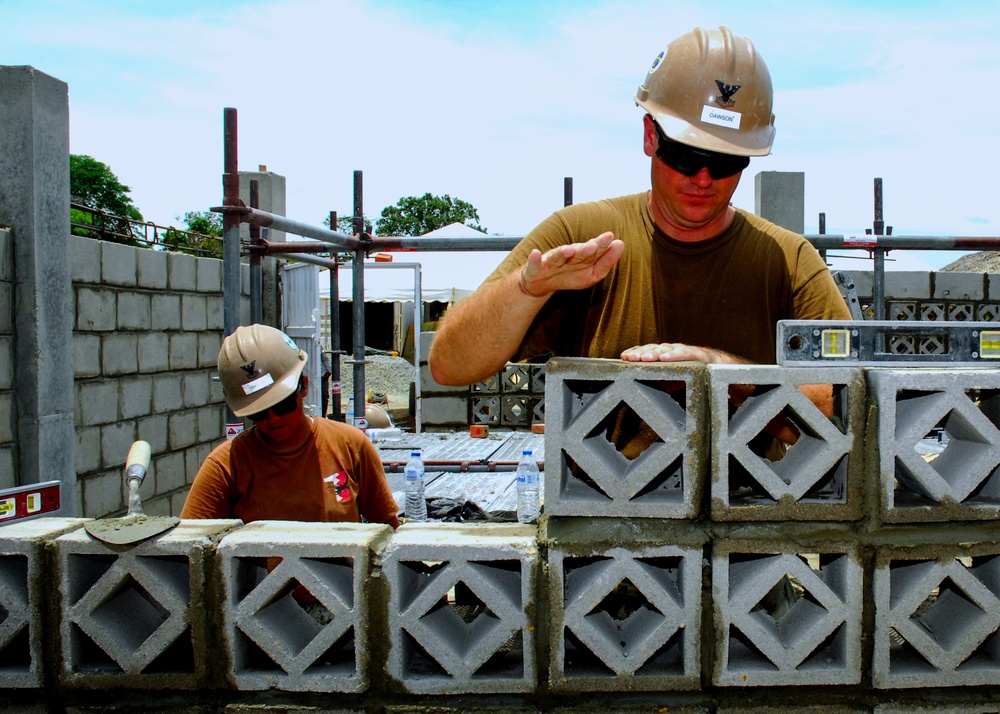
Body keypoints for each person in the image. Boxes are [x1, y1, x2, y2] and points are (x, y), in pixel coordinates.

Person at [429, 26, 850, 444]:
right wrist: (525, 290)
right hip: (601, 505)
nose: (703, 179)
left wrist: (724, 372)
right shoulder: (578, 236)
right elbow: (449, 365)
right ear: (651, 136)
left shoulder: (788, 260)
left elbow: (850, 402)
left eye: (725, 161)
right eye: (685, 155)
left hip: (750, 507)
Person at [181, 323, 400, 529]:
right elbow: (188, 546)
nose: (273, 419)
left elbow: (387, 528)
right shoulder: (225, 466)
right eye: (258, 413)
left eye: (282, 404)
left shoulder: (350, 447)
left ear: (303, 387)